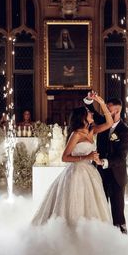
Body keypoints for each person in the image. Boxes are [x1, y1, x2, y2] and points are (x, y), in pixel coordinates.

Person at [32, 94, 113, 226]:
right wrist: (86, 157)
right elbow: (65, 157)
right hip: (76, 173)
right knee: (75, 202)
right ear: (82, 117)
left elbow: (109, 123)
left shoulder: (91, 131)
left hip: (90, 172)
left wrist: (101, 102)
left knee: (90, 203)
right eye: (88, 112)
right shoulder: (76, 134)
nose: (92, 113)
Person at [84, 91, 128, 235]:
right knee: (101, 205)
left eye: (108, 109)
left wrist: (103, 161)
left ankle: (121, 235)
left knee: (117, 209)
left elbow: (121, 157)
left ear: (116, 110)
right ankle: (102, 234)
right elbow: (90, 108)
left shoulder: (125, 132)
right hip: (100, 173)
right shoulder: (103, 122)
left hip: (117, 175)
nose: (105, 111)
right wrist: (90, 98)